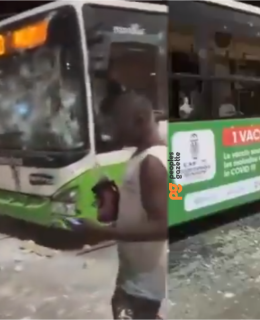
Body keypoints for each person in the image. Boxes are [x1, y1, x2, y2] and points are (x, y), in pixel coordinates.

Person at [80, 92, 168, 319]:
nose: (114, 131)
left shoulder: (152, 163)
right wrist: (112, 199)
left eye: (119, 124)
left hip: (145, 280)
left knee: (125, 309)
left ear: (139, 120)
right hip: (135, 271)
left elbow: (163, 226)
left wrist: (102, 232)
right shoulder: (147, 155)